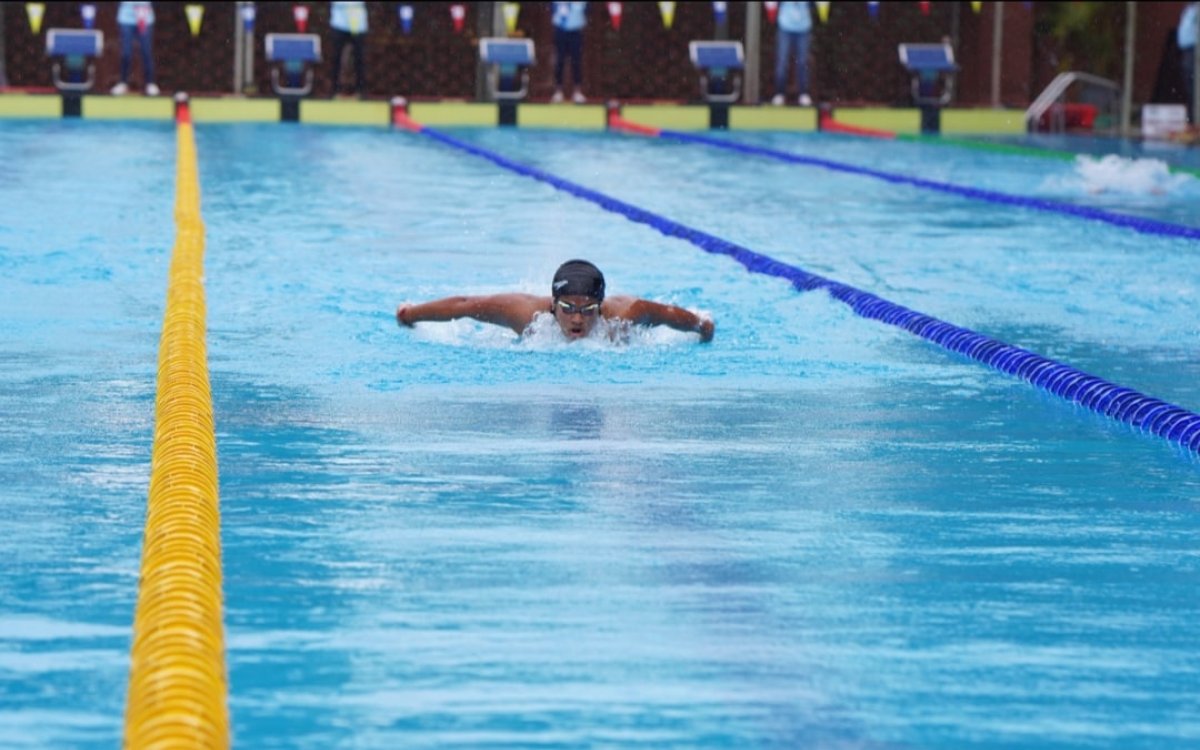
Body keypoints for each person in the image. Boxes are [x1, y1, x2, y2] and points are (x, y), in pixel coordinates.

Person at [396, 259, 714, 343]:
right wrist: (411, 314)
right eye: (568, 309)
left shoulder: (625, 315)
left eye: (588, 310)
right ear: (553, 304)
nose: (578, 319)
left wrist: (702, 326)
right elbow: (466, 305)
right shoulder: (526, 315)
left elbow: (668, 314)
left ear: (600, 306)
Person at [110, 1, 159, 96]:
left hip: (145, 15)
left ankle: (150, 83)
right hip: (126, 16)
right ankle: (123, 83)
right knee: (126, 53)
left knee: (146, 51)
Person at [771, 1, 812, 107]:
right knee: (782, 62)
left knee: (802, 62)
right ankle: (779, 93)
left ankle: (803, 93)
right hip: (785, 27)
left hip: (803, 29)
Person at [550, 2, 587, 104]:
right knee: (559, 61)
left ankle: (577, 91)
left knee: (576, 61)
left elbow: (586, 10)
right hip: (560, 30)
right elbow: (552, 8)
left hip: (575, 31)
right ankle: (558, 91)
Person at [330, 1, 368, 97]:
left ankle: (361, 91)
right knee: (336, 57)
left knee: (360, 58)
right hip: (338, 20)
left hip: (358, 20)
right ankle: (334, 90)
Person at [1181, 2, 1198, 124]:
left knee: (1195, 87)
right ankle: (1192, 119)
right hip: (1186, 50)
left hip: (1195, 50)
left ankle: (1195, 119)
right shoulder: (1189, 8)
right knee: (1190, 88)